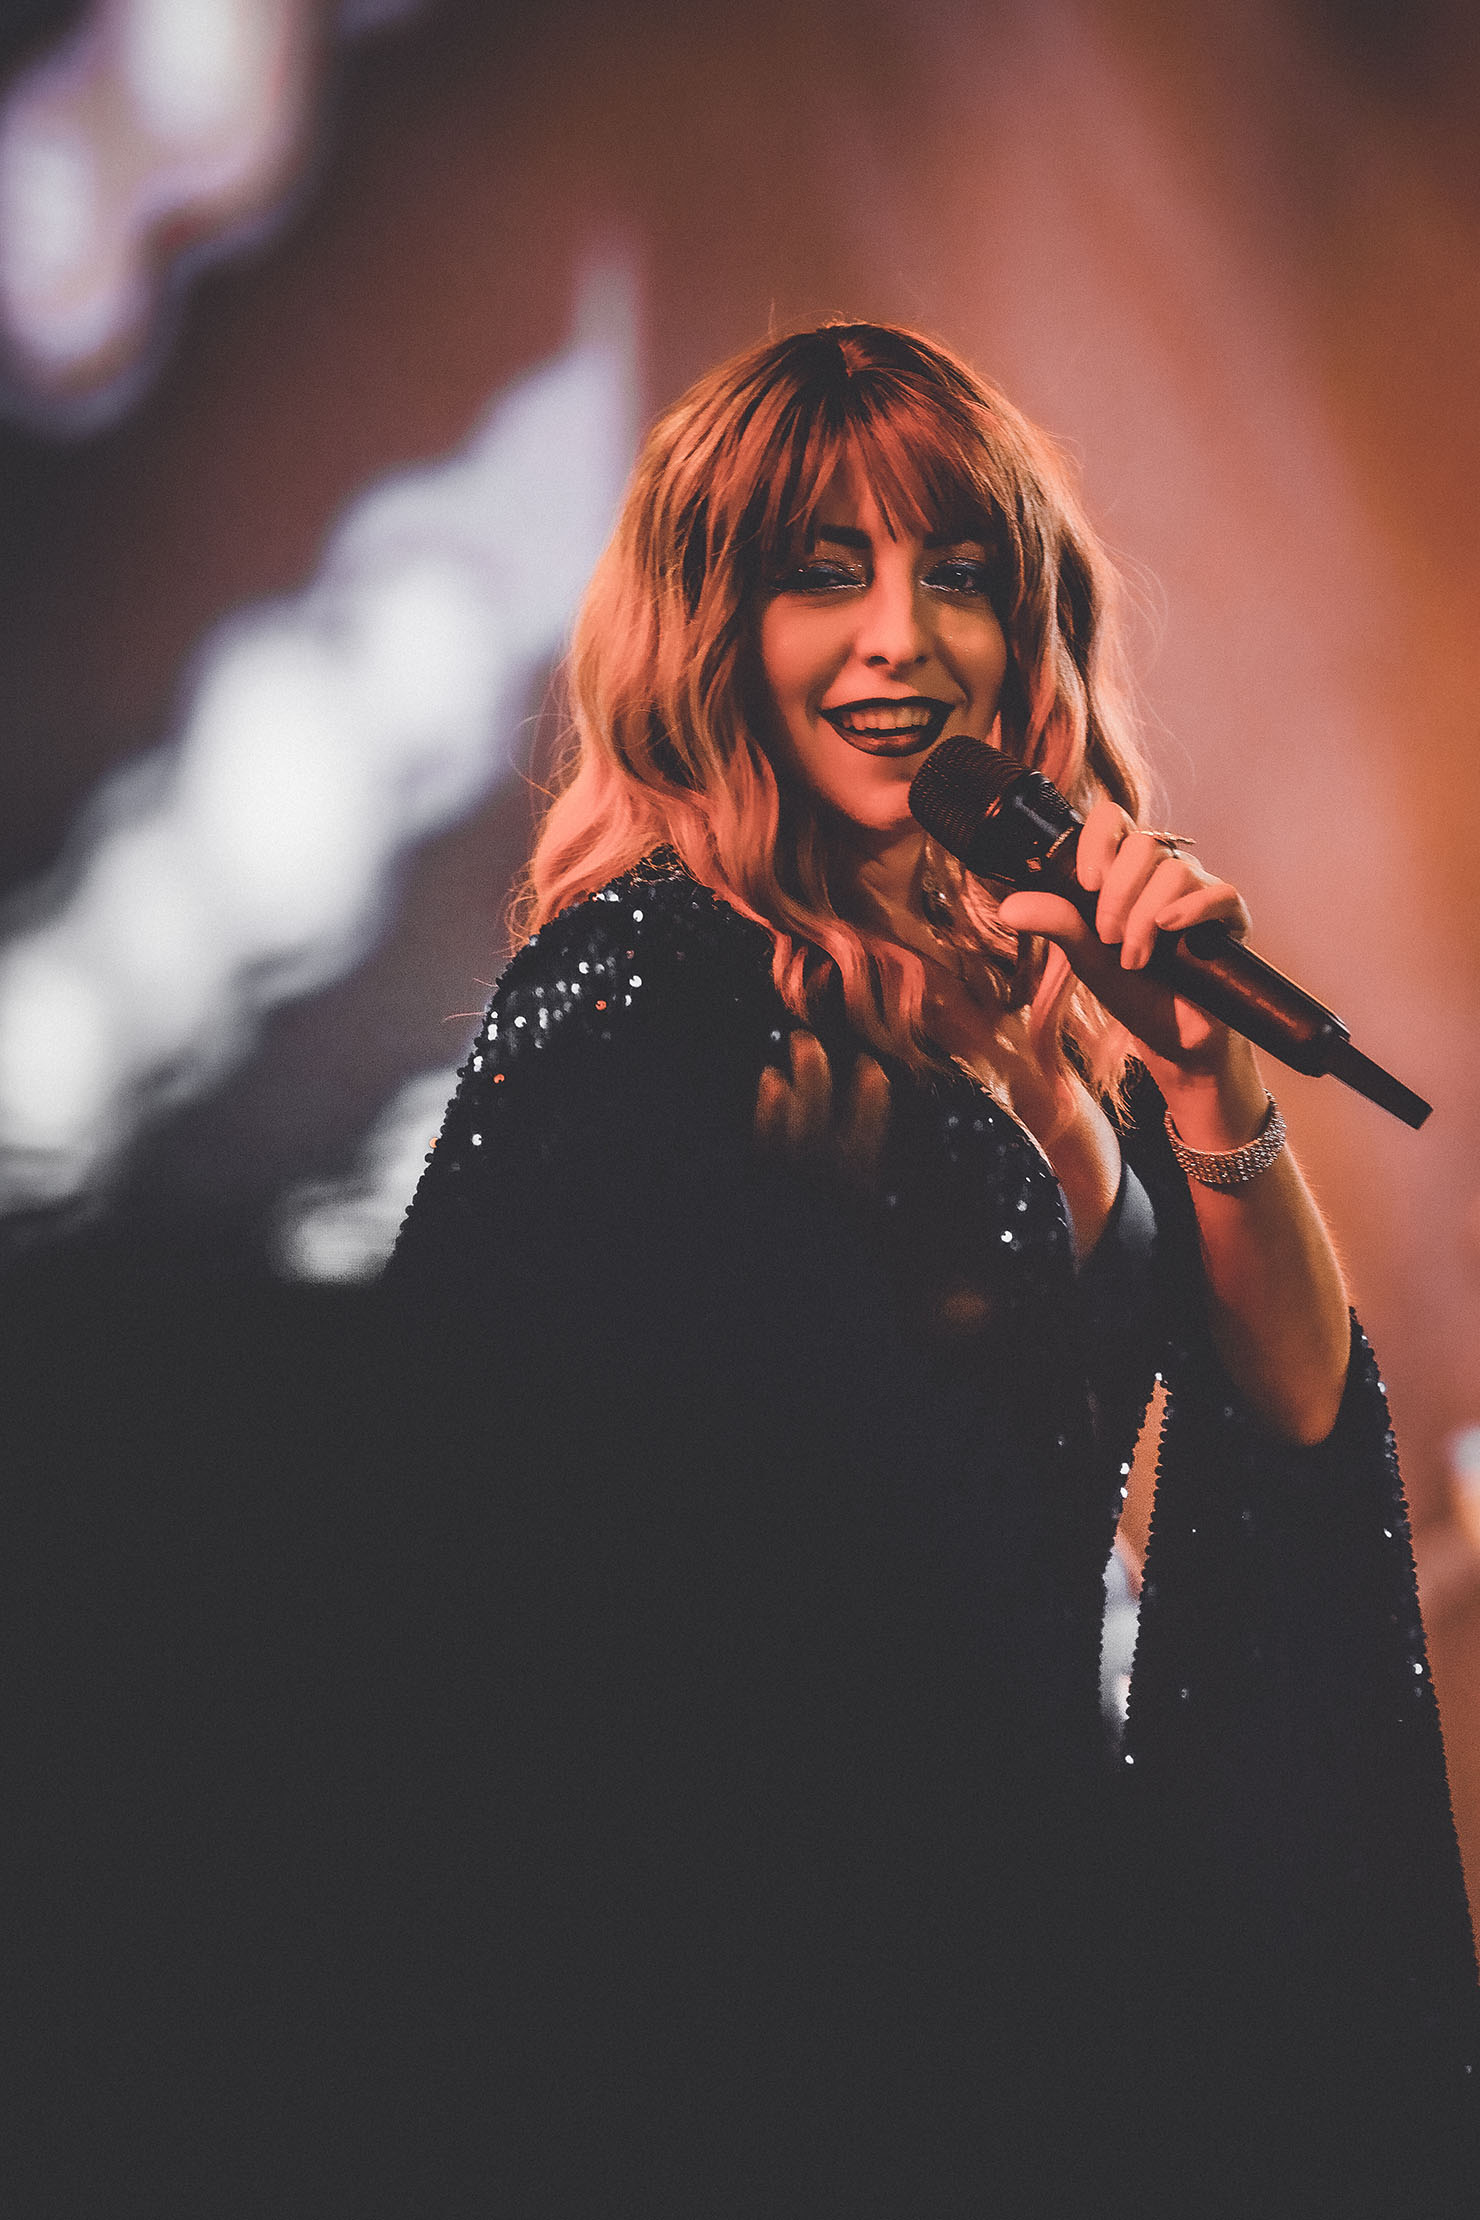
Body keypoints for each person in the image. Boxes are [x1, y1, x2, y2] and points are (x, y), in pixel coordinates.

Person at [386, 324, 1478, 2212]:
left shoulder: (1026, 993)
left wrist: (1203, 1076)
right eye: (827, 574)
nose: (902, 636)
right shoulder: (641, 989)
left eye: (956, 575)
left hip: (1046, 1943)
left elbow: (1297, 1433)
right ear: (714, 627)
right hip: (789, 1995)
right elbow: (476, 1532)